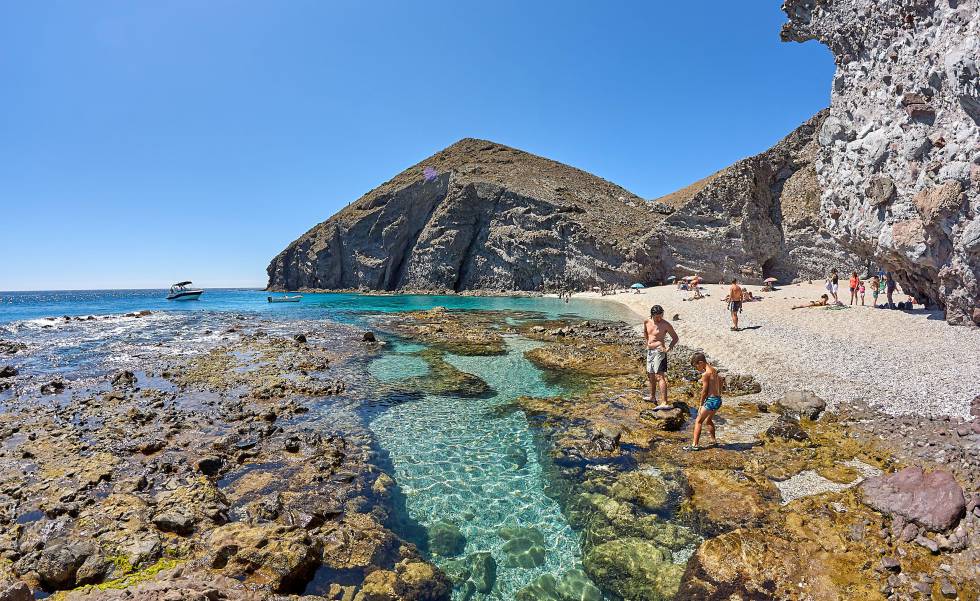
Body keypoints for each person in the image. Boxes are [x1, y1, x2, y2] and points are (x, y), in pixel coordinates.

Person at [643, 305, 678, 408]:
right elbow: (645, 332)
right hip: (650, 351)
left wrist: (668, 348)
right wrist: (647, 343)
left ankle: (664, 402)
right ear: (652, 315)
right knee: (651, 375)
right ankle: (652, 397)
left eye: (661, 316)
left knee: (660, 376)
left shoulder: (665, 324)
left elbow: (675, 338)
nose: (659, 318)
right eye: (656, 317)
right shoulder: (647, 321)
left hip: (659, 351)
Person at [685, 352, 721, 451]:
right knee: (708, 420)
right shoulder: (714, 370)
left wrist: (701, 405)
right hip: (718, 400)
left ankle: (694, 445)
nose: (697, 369)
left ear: (700, 362)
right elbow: (721, 381)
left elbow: (704, 391)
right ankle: (713, 441)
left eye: (696, 366)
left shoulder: (706, 374)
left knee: (698, 421)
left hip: (711, 401)